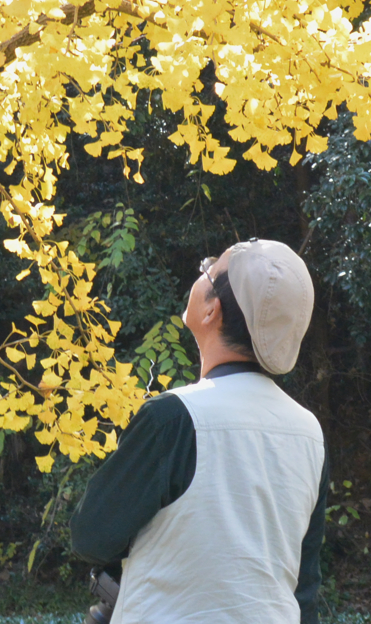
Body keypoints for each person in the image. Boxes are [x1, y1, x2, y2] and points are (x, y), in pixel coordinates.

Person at [70, 239, 328, 624]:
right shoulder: (309, 434)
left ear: (212, 310)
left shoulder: (173, 419)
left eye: (208, 270)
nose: (201, 272)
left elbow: (90, 535)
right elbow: (303, 588)